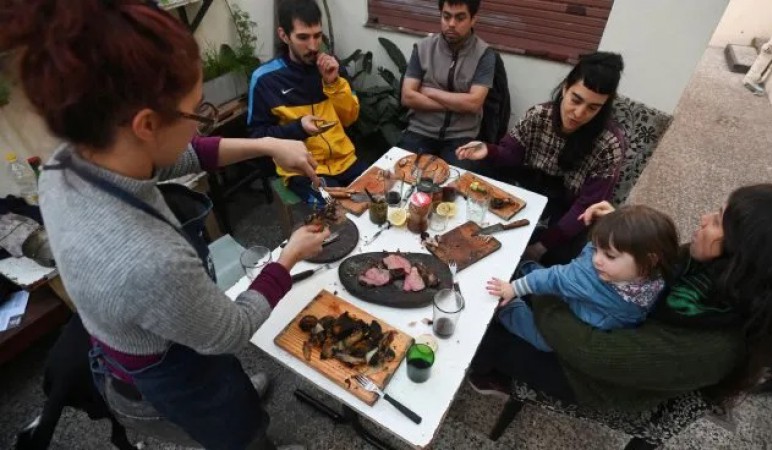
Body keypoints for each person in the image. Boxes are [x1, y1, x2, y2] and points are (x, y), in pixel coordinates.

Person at [1, 1, 328, 448]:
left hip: (141, 329)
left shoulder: (66, 164)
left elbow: (179, 154)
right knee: (238, 430)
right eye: (197, 112)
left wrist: (270, 144)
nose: (201, 122)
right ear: (146, 124)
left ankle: (236, 394)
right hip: (168, 375)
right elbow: (228, 331)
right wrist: (288, 257)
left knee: (227, 381)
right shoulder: (150, 258)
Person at [470, 184, 772, 415]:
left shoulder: (714, 348)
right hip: (606, 321)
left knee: (485, 328)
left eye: (718, 222)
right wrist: (622, 229)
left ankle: (488, 371)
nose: (704, 219)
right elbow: (651, 264)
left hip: (592, 376)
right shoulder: (706, 269)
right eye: (716, 211)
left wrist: (552, 286)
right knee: (571, 247)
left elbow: (588, 349)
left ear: (741, 259)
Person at [456, 52, 626, 266]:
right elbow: (511, 155)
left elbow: (586, 206)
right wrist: (489, 150)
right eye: (576, 99)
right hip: (527, 188)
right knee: (473, 167)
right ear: (565, 87)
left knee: (550, 255)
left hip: (565, 210)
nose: (579, 113)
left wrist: (543, 245)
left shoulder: (609, 144)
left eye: (593, 107)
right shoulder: (540, 115)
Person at [487, 205, 678, 352]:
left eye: (609, 255)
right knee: (544, 341)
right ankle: (507, 310)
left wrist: (614, 221)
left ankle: (524, 267)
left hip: (583, 304)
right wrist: (513, 289)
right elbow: (553, 278)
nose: (597, 259)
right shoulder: (590, 276)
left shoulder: (655, 272)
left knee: (556, 277)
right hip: (575, 298)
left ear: (651, 260)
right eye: (597, 249)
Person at [248, 0, 365, 204]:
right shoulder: (265, 79)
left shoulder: (331, 67)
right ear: (284, 35)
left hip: (345, 159)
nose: (313, 46)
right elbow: (257, 138)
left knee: (377, 196)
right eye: (303, 37)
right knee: (339, 210)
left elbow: (349, 119)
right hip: (303, 168)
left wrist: (334, 83)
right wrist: (297, 128)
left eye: (317, 35)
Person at [398, 0, 496, 170]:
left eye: (460, 18)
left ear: (473, 19)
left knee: (457, 188)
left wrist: (429, 92)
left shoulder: (484, 55)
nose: (451, 24)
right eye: (446, 16)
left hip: (462, 137)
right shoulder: (423, 48)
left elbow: (473, 104)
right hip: (420, 131)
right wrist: (459, 103)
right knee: (402, 179)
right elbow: (407, 96)